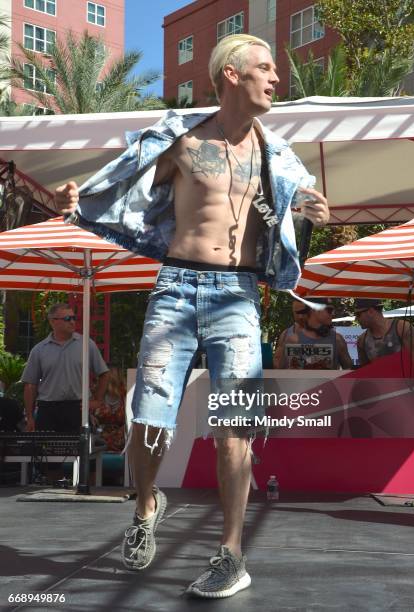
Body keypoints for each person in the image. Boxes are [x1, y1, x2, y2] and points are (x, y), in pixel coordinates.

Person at [54, 34, 330, 598]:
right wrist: (76, 199)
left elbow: (308, 199)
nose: (277, 79)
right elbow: (118, 189)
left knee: (235, 427)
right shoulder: (180, 141)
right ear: (232, 73)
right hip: (176, 288)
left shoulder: (277, 154)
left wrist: (315, 209)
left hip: (238, 297)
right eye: (265, 68)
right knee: (151, 420)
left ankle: (231, 552)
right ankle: (147, 502)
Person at [22, 303, 110, 432]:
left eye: (74, 318)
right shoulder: (39, 350)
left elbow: (104, 374)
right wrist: (29, 417)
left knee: (77, 450)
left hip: (77, 407)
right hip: (48, 409)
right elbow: (30, 385)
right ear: (53, 321)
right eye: (68, 319)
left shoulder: (86, 344)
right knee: (46, 450)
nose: (73, 322)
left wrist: (98, 400)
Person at [275, 298, 352, 369]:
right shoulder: (292, 340)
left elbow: (349, 371)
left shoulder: (338, 340)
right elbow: (279, 370)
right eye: (329, 310)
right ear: (315, 310)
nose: (333, 314)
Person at [355, 298, 414, 369]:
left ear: (371, 311)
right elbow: (365, 372)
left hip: (406, 379)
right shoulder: (362, 340)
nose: (356, 319)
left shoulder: (402, 328)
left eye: (358, 314)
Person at [92, 365, 126, 452]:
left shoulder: (127, 395)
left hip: (121, 443)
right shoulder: (96, 394)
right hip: (99, 442)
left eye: (103, 376)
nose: (99, 379)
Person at [273, 300, 308, 368]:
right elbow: (276, 360)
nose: (300, 316)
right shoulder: (286, 334)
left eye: (303, 312)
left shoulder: (326, 334)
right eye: (296, 312)